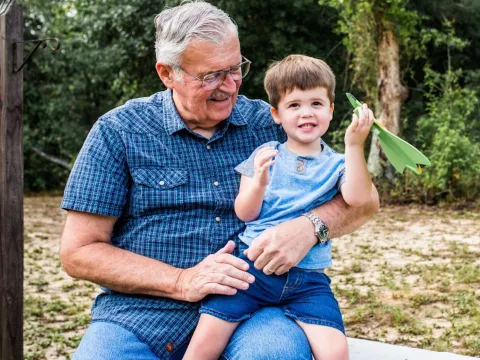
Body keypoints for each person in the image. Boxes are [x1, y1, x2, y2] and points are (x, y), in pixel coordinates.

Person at [59, 2, 379, 359]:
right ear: (167, 73)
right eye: (211, 75)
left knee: (274, 354)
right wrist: (181, 281)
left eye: (235, 69)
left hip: (257, 303)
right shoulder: (118, 131)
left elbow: (364, 200)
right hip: (142, 313)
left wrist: (310, 227)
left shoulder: (270, 122)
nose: (229, 86)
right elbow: (79, 252)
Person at [183, 55, 374, 360]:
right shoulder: (266, 154)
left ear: (331, 109)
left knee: (336, 351)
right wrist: (258, 182)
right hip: (250, 269)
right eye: (294, 105)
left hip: (308, 279)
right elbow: (245, 213)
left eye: (316, 103)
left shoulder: (338, 163)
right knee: (203, 345)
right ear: (276, 114)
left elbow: (359, 198)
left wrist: (354, 146)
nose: (306, 113)